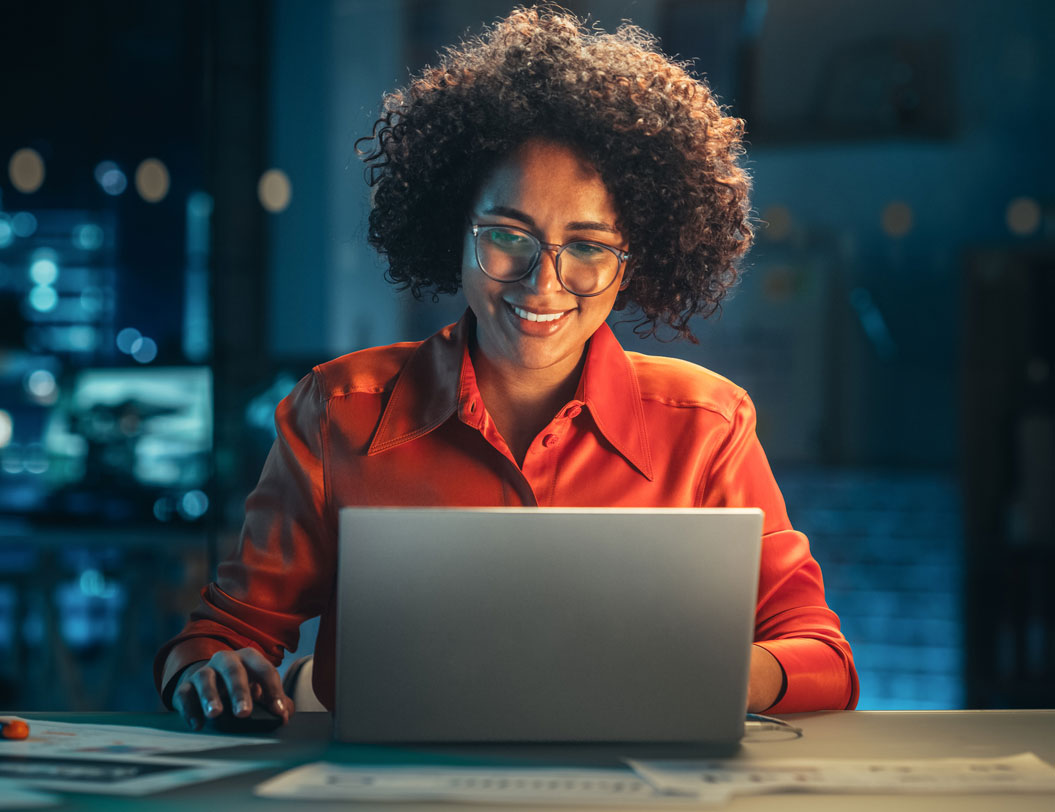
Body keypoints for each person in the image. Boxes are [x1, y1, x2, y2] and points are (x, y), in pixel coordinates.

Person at [156, 5, 859, 730]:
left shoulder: (707, 426)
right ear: (453, 232)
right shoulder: (339, 411)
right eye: (505, 236)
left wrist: (725, 676)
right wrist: (215, 671)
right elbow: (220, 637)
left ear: (633, 261)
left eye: (586, 246)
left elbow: (823, 657)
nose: (542, 283)